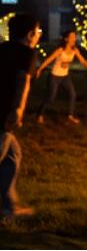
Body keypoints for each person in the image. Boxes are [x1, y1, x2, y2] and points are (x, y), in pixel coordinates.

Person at [0, 14, 41, 221]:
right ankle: (9, 208)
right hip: (4, 114)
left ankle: (9, 206)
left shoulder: (2, 48)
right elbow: (22, 80)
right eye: (38, 32)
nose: (39, 36)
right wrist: (17, 109)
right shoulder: (27, 53)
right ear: (30, 34)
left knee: (13, 154)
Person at [35, 31, 87, 125]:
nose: (74, 39)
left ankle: (70, 116)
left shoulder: (75, 50)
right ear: (66, 39)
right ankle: (40, 114)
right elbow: (48, 60)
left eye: (75, 37)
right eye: (72, 37)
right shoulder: (60, 50)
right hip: (54, 76)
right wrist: (39, 69)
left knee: (73, 94)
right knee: (51, 97)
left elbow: (83, 61)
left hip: (65, 77)